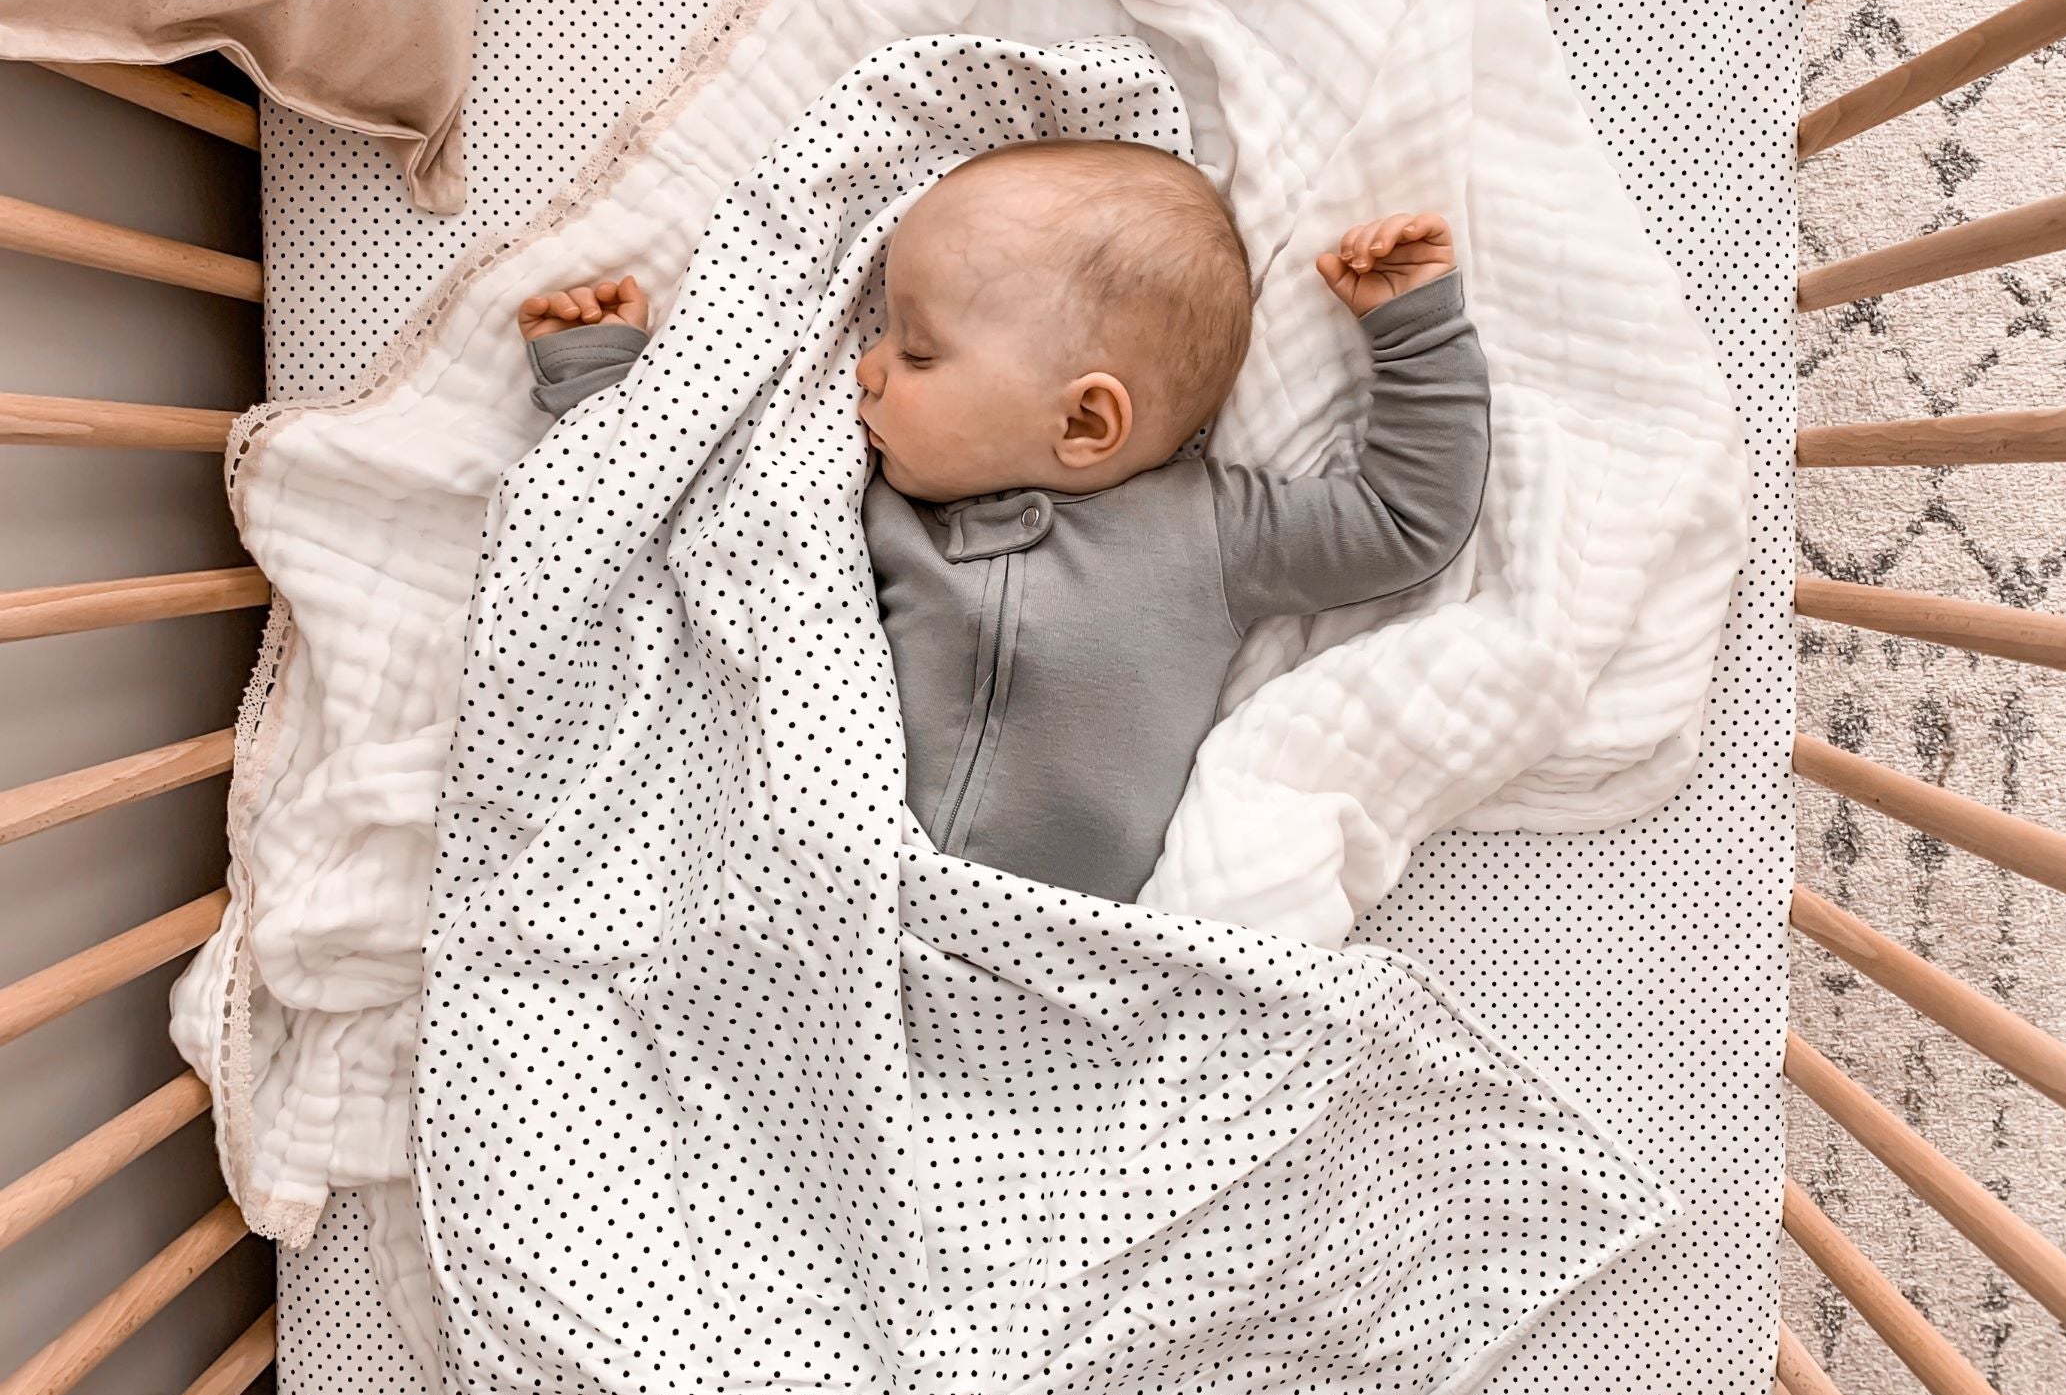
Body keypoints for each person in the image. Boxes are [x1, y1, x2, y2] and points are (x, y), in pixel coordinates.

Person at [520, 138, 1489, 901]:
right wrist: (606, 382)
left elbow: (1403, 523)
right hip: (824, 910)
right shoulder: (858, 516)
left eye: (918, 350)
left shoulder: (1213, 535)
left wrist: (1414, 330)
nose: (866, 365)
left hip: (1041, 987)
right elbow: (698, 540)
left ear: (1082, 418)